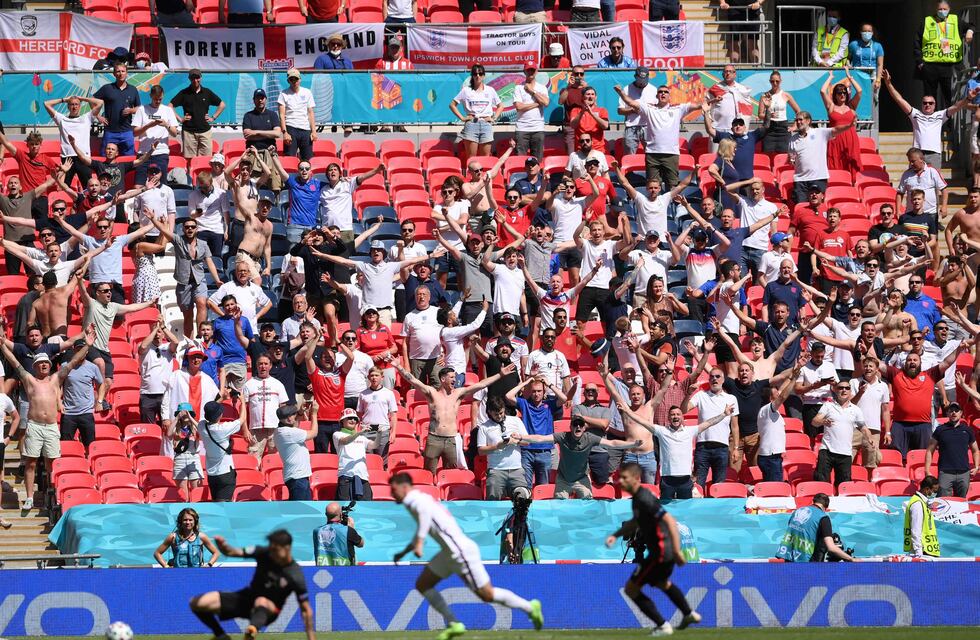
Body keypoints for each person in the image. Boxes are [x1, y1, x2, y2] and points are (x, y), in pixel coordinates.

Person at [389, 472, 544, 640]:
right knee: (422, 584)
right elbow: (425, 522)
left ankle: (530, 607)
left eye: (394, 489)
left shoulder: (415, 500)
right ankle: (454, 624)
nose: (391, 493)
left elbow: (425, 518)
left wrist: (419, 542)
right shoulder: (418, 500)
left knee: (487, 595)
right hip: (448, 553)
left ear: (404, 487)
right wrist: (404, 552)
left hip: (460, 552)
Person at [0, 325, 94, 511]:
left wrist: (87, 346)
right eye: (40, 363)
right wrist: (2, 344)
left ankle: (52, 493)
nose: (43, 365)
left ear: (49, 365)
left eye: (46, 363)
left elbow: (74, 361)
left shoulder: (55, 379)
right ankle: (29, 497)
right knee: (31, 462)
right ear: (35, 366)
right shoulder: (29, 380)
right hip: (34, 426)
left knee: (52, 462)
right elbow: (14, 361)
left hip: (51, 426)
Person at [605, 462, 702, 637]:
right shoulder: (637, 499)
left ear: (636, 479)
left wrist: (678, 550)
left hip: (661, 552)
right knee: (662, 583)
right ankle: (688, 614)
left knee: (631, 589)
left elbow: (670, 521)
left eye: (624, 477)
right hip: (663, 552)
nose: (620, 481)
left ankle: (662, 625)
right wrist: (616, 534)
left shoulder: (645, 498)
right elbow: (636, 522)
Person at [391, 358, 515, 474]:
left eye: (454, 377)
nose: (455, 380)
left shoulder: (458, 394)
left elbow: (481, 385)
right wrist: (398, 366)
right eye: (451, 377)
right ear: (443, 379)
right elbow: (412, 380)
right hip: (434, 439)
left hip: (451, 439)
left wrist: (500, 375)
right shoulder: (432, 393)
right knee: (429, 472)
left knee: (450, 472)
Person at [190, 529, 315, 640]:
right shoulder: (263, 552)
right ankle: (221, 636)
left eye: (275, 550)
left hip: (269, 610)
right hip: (246, 598)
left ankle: (251, 631)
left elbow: (306, 610)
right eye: (270, 548)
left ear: (287, 548)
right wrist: (223, 546)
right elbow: (233, 552)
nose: (271, 552)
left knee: (261, 600)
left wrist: (311, 637)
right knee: (196, 603)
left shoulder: (295, 574)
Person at [881, 69, 976, 169]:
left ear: (935, 105)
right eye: (925, 103)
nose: (927, 105)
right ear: (921, 104)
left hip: (934, 155)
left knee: (933, 184)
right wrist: (888, 83)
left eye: (930, 103)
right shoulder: (915, 114)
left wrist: (968, 99)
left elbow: (957, 106)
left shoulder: (940, 115)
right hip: (917, 155)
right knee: (915, 183)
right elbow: (899, 99)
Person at [615, 82, 701, 188]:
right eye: (660, 92)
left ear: (669, 96)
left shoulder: (678, 108)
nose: (663, 94)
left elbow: (698, 106)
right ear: (656, 96)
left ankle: (673, 205)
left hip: (671, 154)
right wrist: (621, 93)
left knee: (673, 186)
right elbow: (631, 103)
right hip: (652, 155)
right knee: (653, 187)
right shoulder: (649, 109)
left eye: (666, 92)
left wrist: (711, 102)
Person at [915, 1, 975, 108]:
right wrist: (920, 62)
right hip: (930, 65)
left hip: (949, 66)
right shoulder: (927, 21)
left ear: (949, 9)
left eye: (944, 9)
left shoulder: (955, 20)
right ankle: (932, 122)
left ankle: (949, 124)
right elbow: (917, 42)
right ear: (936, 10)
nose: (942, 11)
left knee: (950, 98)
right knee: (930, 98)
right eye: (940, 9)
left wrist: (970, 31)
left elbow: (971, 26)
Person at [788, 111, 853, 203]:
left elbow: (836, 130)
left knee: (817, 207)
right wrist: (791, 159)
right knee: (801, 208)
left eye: (801, 119)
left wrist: (849, 126)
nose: (798, 122)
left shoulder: (820, 132)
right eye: (796, 120)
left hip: (818, 178)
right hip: (800, 179)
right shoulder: (793, 139)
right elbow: (791, 157)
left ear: (808, 121)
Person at [775, 493, 856, 561]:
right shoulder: (823, 517)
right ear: (825, 507)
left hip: (789, 558)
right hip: (807, 563)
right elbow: (831, 547)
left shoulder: (797, 511)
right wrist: (851, 559)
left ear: (813, 501)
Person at [926, 395, 980, 497]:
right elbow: (929, 450)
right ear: (947, 413)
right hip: (945, 472)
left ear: (961, 413)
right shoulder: (940, 430)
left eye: (956, 410)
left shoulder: (967, 430)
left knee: (961, 503)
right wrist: (927, 470)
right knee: (945, 502)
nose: (954, 412)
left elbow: (976, 450)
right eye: (951, 410)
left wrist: (977, 466)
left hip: (964, 473)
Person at [478, 396, 530, 500]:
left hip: (516, 469)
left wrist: (517, 440)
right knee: (493, 502)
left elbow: (527, 442)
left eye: (501, 413)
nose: (499, 416)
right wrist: (497, 446)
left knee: (523, 498)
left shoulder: (516, 421)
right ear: (489, 412)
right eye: (496, 414)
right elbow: (481, 451)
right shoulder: (484, 427)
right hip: (496, 470)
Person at [450, 64, 504, 161]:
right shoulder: (466, 90)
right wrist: (463, 118)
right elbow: (452, 105)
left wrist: (494, 118)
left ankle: (483, 176)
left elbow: (501, 106)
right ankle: (471, 176)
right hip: (471, 124)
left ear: (484, 75)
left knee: (486, 159)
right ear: (472, 76)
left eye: (480, 73)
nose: (477, 76)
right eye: (475, 74)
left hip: (486, 124)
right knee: (471, 159)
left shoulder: (490, 90)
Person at [170, 69, 225, 162]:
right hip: (189, 132)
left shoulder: (207, 92)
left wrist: (213, 117)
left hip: (205, 132)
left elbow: (222, 104)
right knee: (189, 161)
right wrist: (180, 119)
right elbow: (170, 106)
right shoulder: (184, 93)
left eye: (197, 78)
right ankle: (190, 177)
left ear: (201, 78)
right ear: (189, 79)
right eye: (193, 78)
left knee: (205, 161)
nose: (195, 80)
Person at [821, 69, 863, 176]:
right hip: (835, 140)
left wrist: (850, 78)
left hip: (850, 140)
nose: (842, 95)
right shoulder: (831, 106)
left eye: (844, 92)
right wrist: (830, 77)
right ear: (835, 95)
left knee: (851, 167)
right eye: (839, 93)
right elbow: (822, 91)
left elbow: (859, 91)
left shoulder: (851, 106)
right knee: (835, 167)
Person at [275, 402, 318, 500]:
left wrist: (300, 413)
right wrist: (314, 414)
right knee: (300, 511)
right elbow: (313, 433)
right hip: (297, 477)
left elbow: (295, 425)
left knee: (300, 509)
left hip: (297, 477)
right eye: (288, 416)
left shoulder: (281, 430)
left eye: (292, 415)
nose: (291, 418)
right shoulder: (289, 433)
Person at [93, 62, 139, 155]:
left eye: (123, 71)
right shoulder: (107, 88)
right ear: (114, 74)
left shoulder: (133, 89)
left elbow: (139, 108)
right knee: (105, 159)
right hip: (110, 132)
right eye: (118, 71)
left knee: (128, 160)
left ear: (127, 73)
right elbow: (93, 100)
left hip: (127, 132)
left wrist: (130, 110)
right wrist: (97, 116)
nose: (121, 73)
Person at [199, 400, 240, 502]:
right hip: (225, 472)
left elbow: (206, 416)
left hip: (212, 474)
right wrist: (242, 401)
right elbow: (242, 419)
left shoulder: (201, 426)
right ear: (219, 415)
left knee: (216, 504)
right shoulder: (223, 429)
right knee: (224, 506)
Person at [332, 409, 376, 501]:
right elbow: (345, 441)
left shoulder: (362, 437)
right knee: (344, 508)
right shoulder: (337, 434)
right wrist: (359, 432)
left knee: (367, 507)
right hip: (346, 476)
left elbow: (374, 445)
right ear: (342, 421)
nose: (353, 420)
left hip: (362, 476)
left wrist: (380, 434)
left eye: (355, 419)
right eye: (349, 418)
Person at [153, 508, 219, 568]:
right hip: (178, 574)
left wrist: (209, 564)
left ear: (195, 521)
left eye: (190, 520)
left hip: (197, 574)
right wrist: (166, 566)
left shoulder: (201, 537)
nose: (188, 522)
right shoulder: (173, 537)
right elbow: (157, 553)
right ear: (180, 521)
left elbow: (216, 552)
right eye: (185, 520)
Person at [758, 70, 801, 154]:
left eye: (777, 81)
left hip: (783, 128)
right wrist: (769, 115)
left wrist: (794, 126)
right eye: (772, 81)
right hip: (769, 128)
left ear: (781, 81)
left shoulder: (786, 95)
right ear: (769, 81)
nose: (775, 83)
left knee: (784, 155)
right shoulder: (764, 96)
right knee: (768, 154)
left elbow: (798, 111)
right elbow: (760, 115)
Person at [278, 68, 317, 162]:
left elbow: (310, 113)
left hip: (305, 129)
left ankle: (307, 177)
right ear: (288, 81)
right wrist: (285, 133)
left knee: (308, 160)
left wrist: (314, 131)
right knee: (289, 159)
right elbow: (281, 115)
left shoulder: (307, 92)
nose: (294, 81)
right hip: (291, 128)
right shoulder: (283, 94)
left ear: (300, 79)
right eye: (291, 79)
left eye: (296, 78)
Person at [513, 62, 549, 160]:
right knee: (520, 160)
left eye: (533, 70)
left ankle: (537, 176)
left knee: (537, 160)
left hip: (538, 128)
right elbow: (519, 107)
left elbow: (545, 103)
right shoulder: (518, 88)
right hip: (522, 128)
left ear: (537, 71)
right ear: (524, 71)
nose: (531, 72)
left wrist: (532, 92)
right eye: (528, 70)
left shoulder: (542, 88)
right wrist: (537, 104)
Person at [313, 501, 364, 566]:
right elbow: (361, 544)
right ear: (340, 514)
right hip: (344, 572)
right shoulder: (348, 530)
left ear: (326, 514)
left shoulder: (316, 531)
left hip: (323, 572)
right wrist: (352, 529)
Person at [904, 476, 942, 558]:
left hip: (929, 550)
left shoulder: (923, 502)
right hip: (923, 552)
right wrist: (918, 552)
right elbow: (915, 529)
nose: (935, 494)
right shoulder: (917, 504)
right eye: (934, 491)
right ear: (927, 489)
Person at [569, 87, 609, 154]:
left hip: (598, 149)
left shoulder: (602, 110)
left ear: (596, 97)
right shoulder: (575, 110)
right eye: (588, 94)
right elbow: (573, 125)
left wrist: (591, 113)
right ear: (582, 97)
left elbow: (605, 126)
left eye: (592, 94)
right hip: (580, 149)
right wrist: (582, 112)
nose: (590, 96)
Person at [849, 23, 884, 90]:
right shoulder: (853, 44)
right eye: (864, 31)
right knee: (858, 98)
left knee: (873, 99)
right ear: (860, 32)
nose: (866, 33)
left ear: (872, 33)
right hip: (857, 76)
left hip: (872, 78)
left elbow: (880, 64)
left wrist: (878, 80)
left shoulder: (877, 46)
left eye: (869, 31)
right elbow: (848, 59)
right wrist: (849, 68)